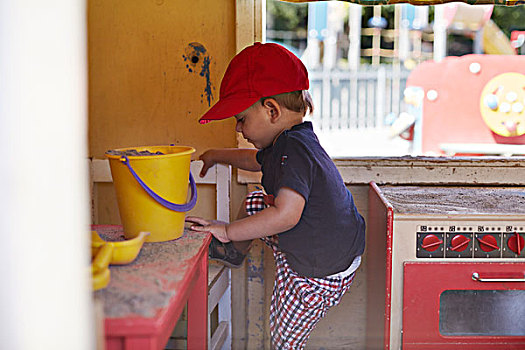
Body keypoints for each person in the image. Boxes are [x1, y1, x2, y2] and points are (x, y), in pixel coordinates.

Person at [186, 42, 366, 349]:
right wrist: (216, 155)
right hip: (328, 243)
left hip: (318, 270)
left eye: (241, 119)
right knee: (256, 202)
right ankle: (234, 253)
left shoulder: (294, 149)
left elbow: (286, 215)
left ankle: (232, 246)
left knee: (283, 337)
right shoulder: (288, 143)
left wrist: (227, 231)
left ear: (271, 110)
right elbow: (254, 161)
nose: (239, 129)